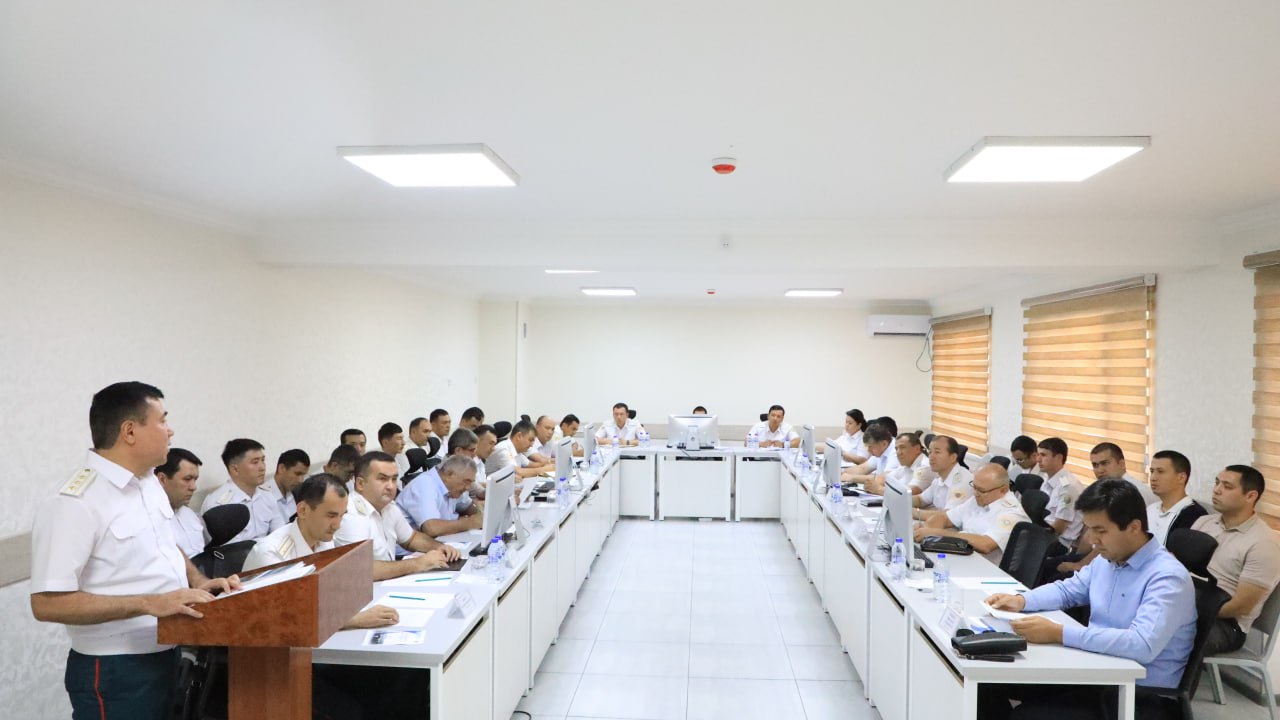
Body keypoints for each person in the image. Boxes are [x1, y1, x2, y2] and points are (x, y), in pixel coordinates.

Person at [30, 382, 239, 719]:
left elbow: (164, 545)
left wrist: (198, 582)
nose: (170, 430)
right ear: (129, 431)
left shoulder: (148, 483)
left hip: (168, 650)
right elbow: (46, 603)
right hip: (116, 668)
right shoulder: (74, 502)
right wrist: (148, 603)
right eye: (162, 420)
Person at [984, 480, 1197, 720]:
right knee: (989, 681)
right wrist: (1021, 601)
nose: (1093, 539)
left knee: (1027, 716)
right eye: (1089, 529)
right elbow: (1068, 591)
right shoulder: (1108, 559)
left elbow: (1141, 645)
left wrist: (1058, 633)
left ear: (1134, 527)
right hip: (1096, 672)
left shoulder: (1167, 577)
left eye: (1101, 530)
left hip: (1138, 696)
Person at [243, 474, 400, 629]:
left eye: (342, 516)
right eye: (331, 515)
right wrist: (354, 619)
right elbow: (279, 618)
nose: (337, 525)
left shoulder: (324, 539)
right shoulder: (271, 553)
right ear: (303, 510)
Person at [1192, 465, 1280, 655]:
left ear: (1251, 496)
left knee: (1175, 636)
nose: (1217, 490)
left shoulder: (1264, 544)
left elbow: (1241, 606)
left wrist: (1190, 612)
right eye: (1217, 483)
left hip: (1226, 624)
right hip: (1189, 604)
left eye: (1227, 486)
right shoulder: (1204, 522)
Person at [332, 452, 459, 578]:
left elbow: (411, 538)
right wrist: (418, 563)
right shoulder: (349, 515)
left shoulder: (389, 507)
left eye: (394, 479)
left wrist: (440, 547)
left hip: (388, 582)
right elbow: (362, 569)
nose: (391, 486)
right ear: (360, 484)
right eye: (382, 479)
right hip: (366, 587)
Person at [913, 463, 1029, 563]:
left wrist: (938, 534)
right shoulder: (979, 498)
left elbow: (985, 544)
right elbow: (945, 517)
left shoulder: (1012, 513)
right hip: (963, 557)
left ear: (1002, 490)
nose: (975, 493)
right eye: (974, 486)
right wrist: (928, 531)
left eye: (981, 490)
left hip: (985, 569)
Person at [200, 438, 284, 543]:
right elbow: (227, 548)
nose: (262, 467)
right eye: (255, 462)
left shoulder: (267, 495)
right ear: (235, 469)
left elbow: (281, 534)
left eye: (263, 460)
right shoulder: (219, 504)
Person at [397, 455, 483, 537]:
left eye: (470, 483)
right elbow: (431, 529)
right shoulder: (425, 484)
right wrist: (470, 523)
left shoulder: (453, 487)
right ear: (449, 474)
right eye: (466, 481)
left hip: (441, 540)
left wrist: (481, 512)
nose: (468, 488)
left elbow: (468, 507)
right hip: (411, 546)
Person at [1146, 449, 1207, 546]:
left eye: (1160, 472)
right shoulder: (1150, 509)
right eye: (1152, 471)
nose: (1153, 477)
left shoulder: (1196, 516)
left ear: (1181, 477)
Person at [155, 448, 206, 558]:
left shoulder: (189, 514)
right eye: (187, 479)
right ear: (162, 479)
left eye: (195, 479)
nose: (194, 487)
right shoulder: (150, 521)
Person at [1037, 437, 1086, 552]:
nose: (1038, 459)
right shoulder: (1047, 480)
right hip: (1044, 533)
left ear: (1059, 458)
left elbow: (1059, 527)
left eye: (1043, 455)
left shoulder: (1068, 487)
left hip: (1058, 542)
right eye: (1038, 454)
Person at [913, 435, 973, 512]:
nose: (931, 457)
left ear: (953, 457)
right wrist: (902, 499)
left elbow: (946, 516)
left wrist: (913, 512)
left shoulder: (963, 481)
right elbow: (921, 500)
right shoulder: (939, 479)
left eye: (937, 452)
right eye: (930, 452)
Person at [488, 420, 554, 488]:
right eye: (530, 440)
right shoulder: (503, 449)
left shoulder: (518, 450)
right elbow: (518, 472)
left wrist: (551, 466)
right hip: (493, 490)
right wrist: (544, 469)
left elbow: (532, 465)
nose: (531, 445)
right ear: (519, 436)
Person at [864, 432, 932, 496]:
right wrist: (871, 484)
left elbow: (908, 493)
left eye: (902, 447)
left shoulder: (925, 467)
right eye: (896, 449)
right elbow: (884, 479)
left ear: (917, 449)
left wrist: (878, 489)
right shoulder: (906, 465)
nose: (898, 452)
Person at [1091, 442, 1157, 506]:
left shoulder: (1137, 493)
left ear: (1121, 464)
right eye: (1095, 465)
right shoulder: (1100, 492)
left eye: (1105, 463)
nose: (1099, 470)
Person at [263, 448, 310, 525]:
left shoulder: (297, 493)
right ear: (282, 468)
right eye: (297, 474)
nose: (301, 480)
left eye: (303, 475)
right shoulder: (262, 497)